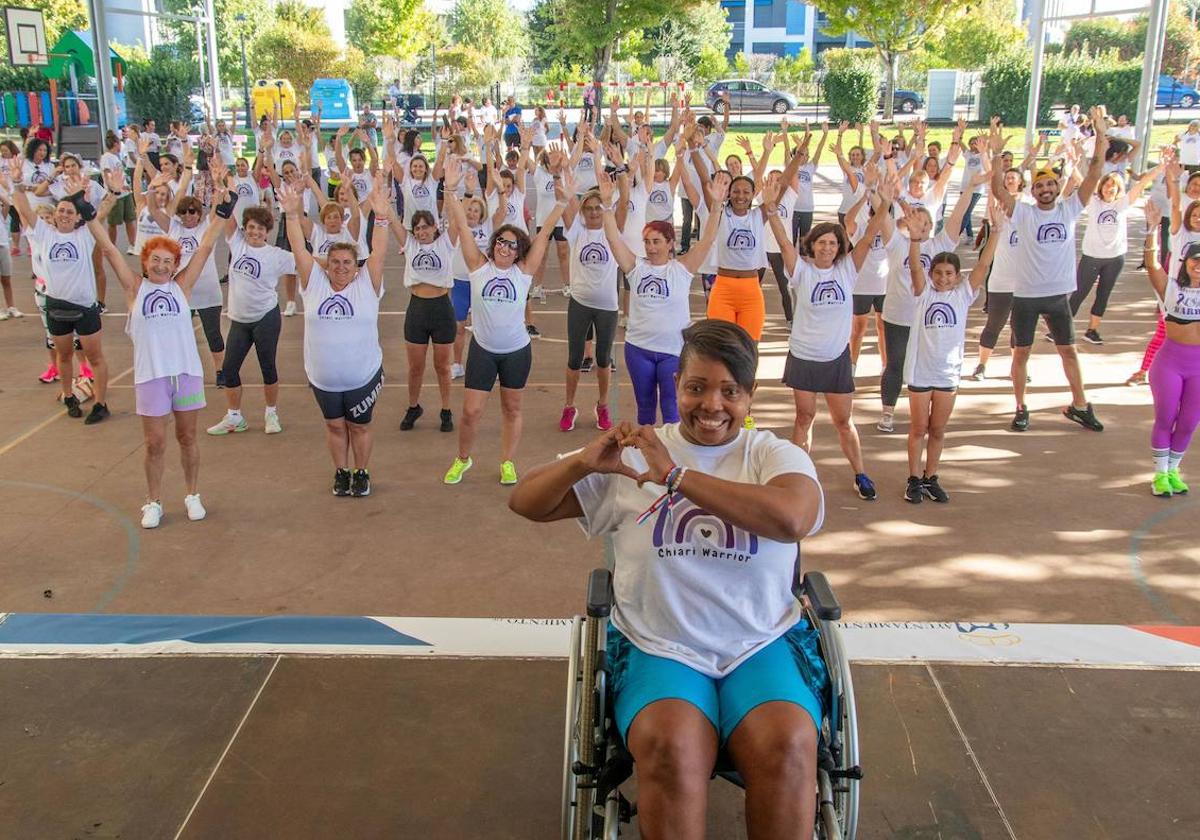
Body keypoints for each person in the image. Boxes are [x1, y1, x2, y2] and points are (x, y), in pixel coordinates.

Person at [508, 318, 828, 840]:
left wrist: (678, 478)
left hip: (758, 640)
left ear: (750, 396)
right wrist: (582, 464)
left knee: (790, 743)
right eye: (697, 387)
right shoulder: (636, 453)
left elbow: (793, 517)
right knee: (668, 745)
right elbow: (525, 502)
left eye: (730, 391)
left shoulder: (771, 454)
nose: (711, 405)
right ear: (677, 385)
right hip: (662, 645)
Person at [90, 169, 226, 527]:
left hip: (186, 375)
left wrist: (225, 208)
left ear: (175, 265)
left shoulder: (182, 287)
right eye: (156, 260)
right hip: (152, 377)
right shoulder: (135, 288)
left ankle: (192, 494)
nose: (162, 265)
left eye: (168, 261)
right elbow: (106, 247)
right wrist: (92, 206)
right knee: (154, 443)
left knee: (187, 436)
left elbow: (208, 245)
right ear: (145, 261)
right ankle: (153, 502)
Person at [441, 157, 568, 485]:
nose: (505, 247)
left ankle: (507, 462)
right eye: (501, 241)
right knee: (471, 412)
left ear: (519, 251)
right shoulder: (479, 267)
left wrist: (563, 202)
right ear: (494, 243)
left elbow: (544, 234)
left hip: (516, 352)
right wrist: (452, 191)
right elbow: (464, 228)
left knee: (512, 409)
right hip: (483, 350)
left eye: (512, 245)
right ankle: (463, 458)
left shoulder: (524, 273)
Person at [765, 176, 891, 501]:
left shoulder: (847, 270)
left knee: (843, 421)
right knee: (804, 417)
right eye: (821, 242)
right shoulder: (801, 271)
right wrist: (770, 209)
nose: (827, 247)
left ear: (839, 247)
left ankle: (860, 473)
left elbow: (869, 236)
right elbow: (783, 243)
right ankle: (799, 476)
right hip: (804, 355)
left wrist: (885, 204)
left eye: (833, 243)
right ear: (812, 245)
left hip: (836, 357)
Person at [988, 113, 1105, 433]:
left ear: (1056, 187)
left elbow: (1095, 173)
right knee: (1020, 353)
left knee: (1069, 350)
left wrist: (1101, 135)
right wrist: (997, 155)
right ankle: (1021, 407)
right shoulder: (1023, 212)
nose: (1046, 188)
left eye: (1050, 183)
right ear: (1033, 190)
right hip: (1025, 295)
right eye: (1040, 185)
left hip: (1057, 297)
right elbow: (998, 189)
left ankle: (1080, 405)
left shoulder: (1069, 208)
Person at [280, 179, 390, 497]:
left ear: (357, 268)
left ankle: (362, 472)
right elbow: (299, 249)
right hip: (324, 379)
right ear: (326, 265)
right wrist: (290, 215)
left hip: (362, 376)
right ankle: (341, 471)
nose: (341, 267)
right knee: (334, 426)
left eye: (347, 263)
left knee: (359, 426)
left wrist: (381, 217)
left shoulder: (366, 284)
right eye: (335, 262)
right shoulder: (313, 283)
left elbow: (379, 251)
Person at [603, 176, 725, 426]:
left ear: (670, 244)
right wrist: (606, 206)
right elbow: (614, 240)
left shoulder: (681, 269)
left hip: (672, 350)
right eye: (647, 242)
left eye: (657, 242)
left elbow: (708, 240)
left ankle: (672, 459)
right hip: (638, 349)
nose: (650, 247)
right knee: (645, 408)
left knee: (671, 408)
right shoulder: (634, 267)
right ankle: (647, 456)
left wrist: (716, 206)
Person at [902, 210, 999, 503]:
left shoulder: (963, 295)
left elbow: (983, 263)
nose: (943, 278)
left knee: (938, 429)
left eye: (949, 274)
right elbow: (916, 271)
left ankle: (932, 477)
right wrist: (916, 239)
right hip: (921, 372)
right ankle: (914, 479)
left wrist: (995, 231)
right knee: (918, 429)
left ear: (958, 278)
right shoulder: (923, 294)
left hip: (947, 374)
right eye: (938, 273)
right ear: (931, 275)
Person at [6, 160, 111, 423]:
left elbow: (106, 207)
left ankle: (100, 403)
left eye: (69, 211)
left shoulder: (85, 234)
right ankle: (68, 395)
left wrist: (114, 192)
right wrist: (18, 182)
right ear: (54, 214)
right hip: (56, 306)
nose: (64, 214)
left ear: (78, 217)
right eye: (61, 210)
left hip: (84, 306)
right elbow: (22, 207)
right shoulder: (44, 233)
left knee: (95, 357)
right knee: (64, 355)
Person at [207, 174, 292, 436]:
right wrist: (223, 184)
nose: (255, 232)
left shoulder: (276, 256)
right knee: (229, 369)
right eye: (251, 227)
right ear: (245, 228)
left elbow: (307, 262)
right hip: (239, 321)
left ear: (268, 232)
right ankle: (235, 417)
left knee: (268, 367)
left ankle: (271, 414)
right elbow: (227, 214)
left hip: (265, 318)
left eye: (261, 229)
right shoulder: (237, 243)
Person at [1139, 201, 1200, 497]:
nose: (1199, 265)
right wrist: (1151, 229)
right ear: (1186, 262)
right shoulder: (1171, 287)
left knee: (1189, 422)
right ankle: (1159, 474)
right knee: (1166, 417)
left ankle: (1174, 470)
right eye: (1195, 260)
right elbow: (1151, 263)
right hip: (1170, 363)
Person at [560, 162, 620, 432]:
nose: (594, 212)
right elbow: (569, 203)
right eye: (589, 208)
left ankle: (603, 405)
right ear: (583, 211)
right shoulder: (576, 231)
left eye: (599, 208)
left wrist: (613, 190)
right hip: (580, 303)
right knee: (575, 358)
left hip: (607, 306)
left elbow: (623, 204)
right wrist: (563, 174)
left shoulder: (612, 231)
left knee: (604, 358)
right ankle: (569, 406)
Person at [1069, 165, 1159, 344]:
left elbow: (1143, 182)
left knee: (1104, 294)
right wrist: (1072, 161)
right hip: (1092, 257)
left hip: (1115, 258)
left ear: (1119, 189)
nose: (1109, 188)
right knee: (1079, 293)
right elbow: (1081, 180)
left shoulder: (1122, 204)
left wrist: (1162, 166)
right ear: (1101, 187)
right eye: (1106, 184)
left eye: (1114, 186)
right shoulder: (1094, 203)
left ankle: (1092, 330)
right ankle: (1061, 328)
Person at [396, 207, 456, 433]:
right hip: (417, 310)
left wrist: (456, 192)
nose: (421, 232)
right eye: (417, 228)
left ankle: (446, 409)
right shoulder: (410, 244)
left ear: (434, 227)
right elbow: (393, 221)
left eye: (425, 227)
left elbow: (458, 222)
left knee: (442, 366)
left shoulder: (445, 244)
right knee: (415, 367)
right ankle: (413, 407)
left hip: (441, 309)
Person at [969, 166, 1026, 380]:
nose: (1010, 180)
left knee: (1019, 329)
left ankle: (1017, 368)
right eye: (1008, 177)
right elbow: (995, 190)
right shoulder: (998, 214)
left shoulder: (1028, 212)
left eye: (1014, 178)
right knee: (994, 324)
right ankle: (981, 366)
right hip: (1001, 282)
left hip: (1024, 284)